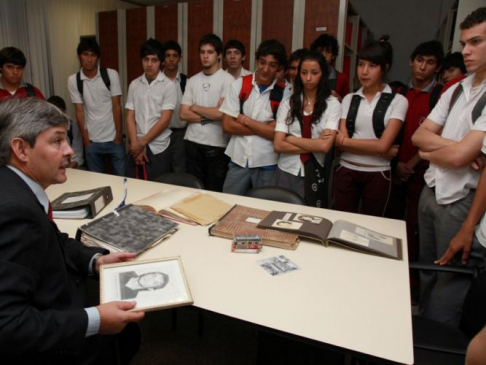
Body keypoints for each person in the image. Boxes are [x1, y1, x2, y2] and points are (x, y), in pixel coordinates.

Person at [0, 98, 144, 364]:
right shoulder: (15, 213)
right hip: (53, 344)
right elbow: (8, 325)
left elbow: (51, 240)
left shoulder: (15, 188)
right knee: (127, 336)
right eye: (57, 141)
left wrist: (94, 260)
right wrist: (95, 320)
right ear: (21, 148)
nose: (69, 151)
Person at [411, 7, 486, 326]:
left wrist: (441, 151)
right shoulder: (455, 88)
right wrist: (459, 149)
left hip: (461, 200)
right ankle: (421, 330)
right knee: (427, 269)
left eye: (476, 42)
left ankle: (438, 339)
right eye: (464, 42)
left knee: (450, 281)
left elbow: (454, 158)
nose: (466, 50)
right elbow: (418, 137)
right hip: (431, 191)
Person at [333, 36, 408, 217]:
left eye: (372, 66)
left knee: (373, 226)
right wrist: (381, 149)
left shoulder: (398, 101)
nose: (364, 71)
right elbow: (339, 142)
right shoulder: (350, 99)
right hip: (346, 170)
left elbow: (381, 145)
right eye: (361, 64)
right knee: (341, 221)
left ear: (385, 68)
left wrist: (346, 142)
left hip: (377, 173)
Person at [385, 40, 444, 265]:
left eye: (430, 63)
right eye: (419, 60)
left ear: (437, 68)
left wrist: (410, 164)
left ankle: (412, 279)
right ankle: (387, 269)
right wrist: (398, 164)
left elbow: (436, 136)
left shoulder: (438, 96)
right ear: (411, 61)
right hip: (393, 167)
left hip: (420, 171)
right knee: (388, 222)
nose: (422, 67)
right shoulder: (397, 92)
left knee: (414, 227)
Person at [220, 39, 290, 195]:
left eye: (272, 65)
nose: (265, 69)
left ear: (279, 67)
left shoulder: (284, 94)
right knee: (229, 204)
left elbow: (277, 135)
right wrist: (264, 127)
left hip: (267, 163)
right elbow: (227, 126)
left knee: (263, 210)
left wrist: (245, 120)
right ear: (256, 61)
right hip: (238, 159)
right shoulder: (238, 85)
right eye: (262, 62)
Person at [273, 51, 340, 206]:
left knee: (308, 219)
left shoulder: (333, 104)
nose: (308, 78)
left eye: (314, 73)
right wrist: (314, 144)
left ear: (322, 74)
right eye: (304, 73)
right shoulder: (288, 104)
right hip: (287, 169)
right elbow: (278, 145)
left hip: (315, 171)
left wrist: (291, 138)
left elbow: (324, 146)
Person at [180, 34, 234, 191]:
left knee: (214, 192)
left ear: (219, 55)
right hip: (192, 142)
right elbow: (183, 114)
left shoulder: (228, 80)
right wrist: (210, 115)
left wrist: (196, 107)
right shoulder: (193, 80)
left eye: (210, 52)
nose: (205, 56)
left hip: (216, 146)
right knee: (192, 191)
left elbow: (223, 114)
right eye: (202, 52)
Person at [68, 38, 125, 176]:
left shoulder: (111, 74)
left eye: (93, 55)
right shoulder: (73, 80)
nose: (89, 59)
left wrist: (118, 136)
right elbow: (79, 111)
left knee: (123, 180)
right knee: (97, 182)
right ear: (79, 56)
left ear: (98, 57)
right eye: (85, 54)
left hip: (113, 138)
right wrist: (86, 140)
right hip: (92, 140)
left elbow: (116, 107)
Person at [125, 38, 177, 181]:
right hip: (136, 146)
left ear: (161, 62)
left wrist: (140, 144)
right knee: (134, 188)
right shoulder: (134, 84)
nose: (149, 64)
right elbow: (129, 116)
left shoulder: (168, 85)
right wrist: (135, 145)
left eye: (154, 60)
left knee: (159, 191)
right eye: (146, 59)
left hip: (159, 148)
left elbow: (164, 120)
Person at [163, 40, 187, 173]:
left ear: (180, 58)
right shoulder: (157, 81)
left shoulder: (186, 81)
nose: (171, 59)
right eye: (167, 55)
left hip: (180, 134)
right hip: (159, 133)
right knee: (161, 169)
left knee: (179, 170)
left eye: (174, 56)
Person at [47, 95, 85, 169]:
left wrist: (67, 170)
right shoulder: (43, 129)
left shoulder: (72, 126)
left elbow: (77, 155)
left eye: (60, 113)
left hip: (70, 165)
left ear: (64, 111)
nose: (56, 117)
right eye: (53, 113)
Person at [310, 34, 350, 101]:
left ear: (333, 55)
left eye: (328, 52)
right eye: (320, 51)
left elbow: (348, 106)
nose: (324, 55)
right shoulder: (308, 75)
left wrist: (338, 98)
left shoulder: (342, 78)